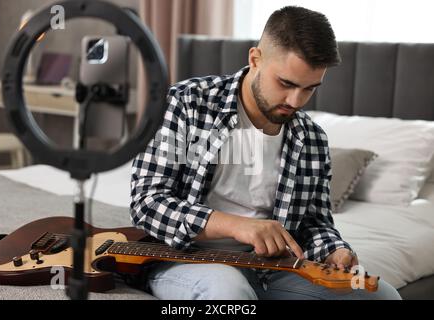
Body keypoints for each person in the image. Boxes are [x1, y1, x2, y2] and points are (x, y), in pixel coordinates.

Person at [130, 6, 401, 300]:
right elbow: (148, 202)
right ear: (255, 59)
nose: (296, 100)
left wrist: (335, 249)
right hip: (187, 259)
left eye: (310, 88)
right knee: (228, 292)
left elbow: (314, 223)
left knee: (381, 296)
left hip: (273, 268)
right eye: (286, 83)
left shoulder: (311, 138)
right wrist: (237, 227)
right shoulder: (188, 104)